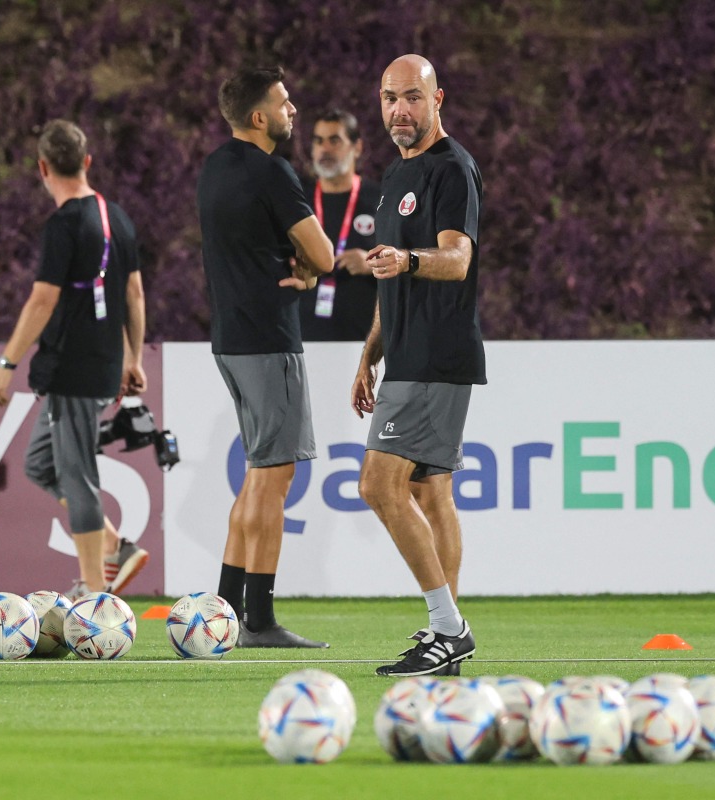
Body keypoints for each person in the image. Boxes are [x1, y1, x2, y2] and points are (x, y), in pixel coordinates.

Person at [351, 55, 485, 677]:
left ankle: (448, 630)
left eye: (411, 98)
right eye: (388, 98)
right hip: (408, 355)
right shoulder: (393, 172)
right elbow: (390, 270)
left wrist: (406, 260)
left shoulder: (452, 169)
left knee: (379, 486)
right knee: (432, 492)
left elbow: (456, 260)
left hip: (437, 355)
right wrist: (370, 353)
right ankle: (443, 641)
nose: (399, 111)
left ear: (438, 101)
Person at [197, 66, 335, 648]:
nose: (293, 109)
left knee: (257, 478)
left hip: (230, 337)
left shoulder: (215, 168)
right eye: (283, 102)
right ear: (259, 117)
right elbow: (325, 255)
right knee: (275, 480)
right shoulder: (273, 173)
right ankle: (258, 619)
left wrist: (295, 264)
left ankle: (225, 613)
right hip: (269, 340)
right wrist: (306, 271)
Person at [0, 119, 149, 600]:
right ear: (87, 162)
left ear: (42, 168)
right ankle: (117, 548)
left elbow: (41, 301)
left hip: (72, 369)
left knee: (77, 476)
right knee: (40, 463)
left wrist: (6, 364)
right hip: (100, 363)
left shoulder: (63, 224)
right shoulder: (116, 216)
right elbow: (134, 292)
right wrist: (132, 356)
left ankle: (94, 594)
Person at [297, 109, 382, 341]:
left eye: (335, 140)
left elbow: (407, 261)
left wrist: (371, 264)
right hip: (304, 343)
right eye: (318, 141)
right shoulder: (297, 202)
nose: (325, 148)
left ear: (357, 147)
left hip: (365, 343)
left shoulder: (381, 200)